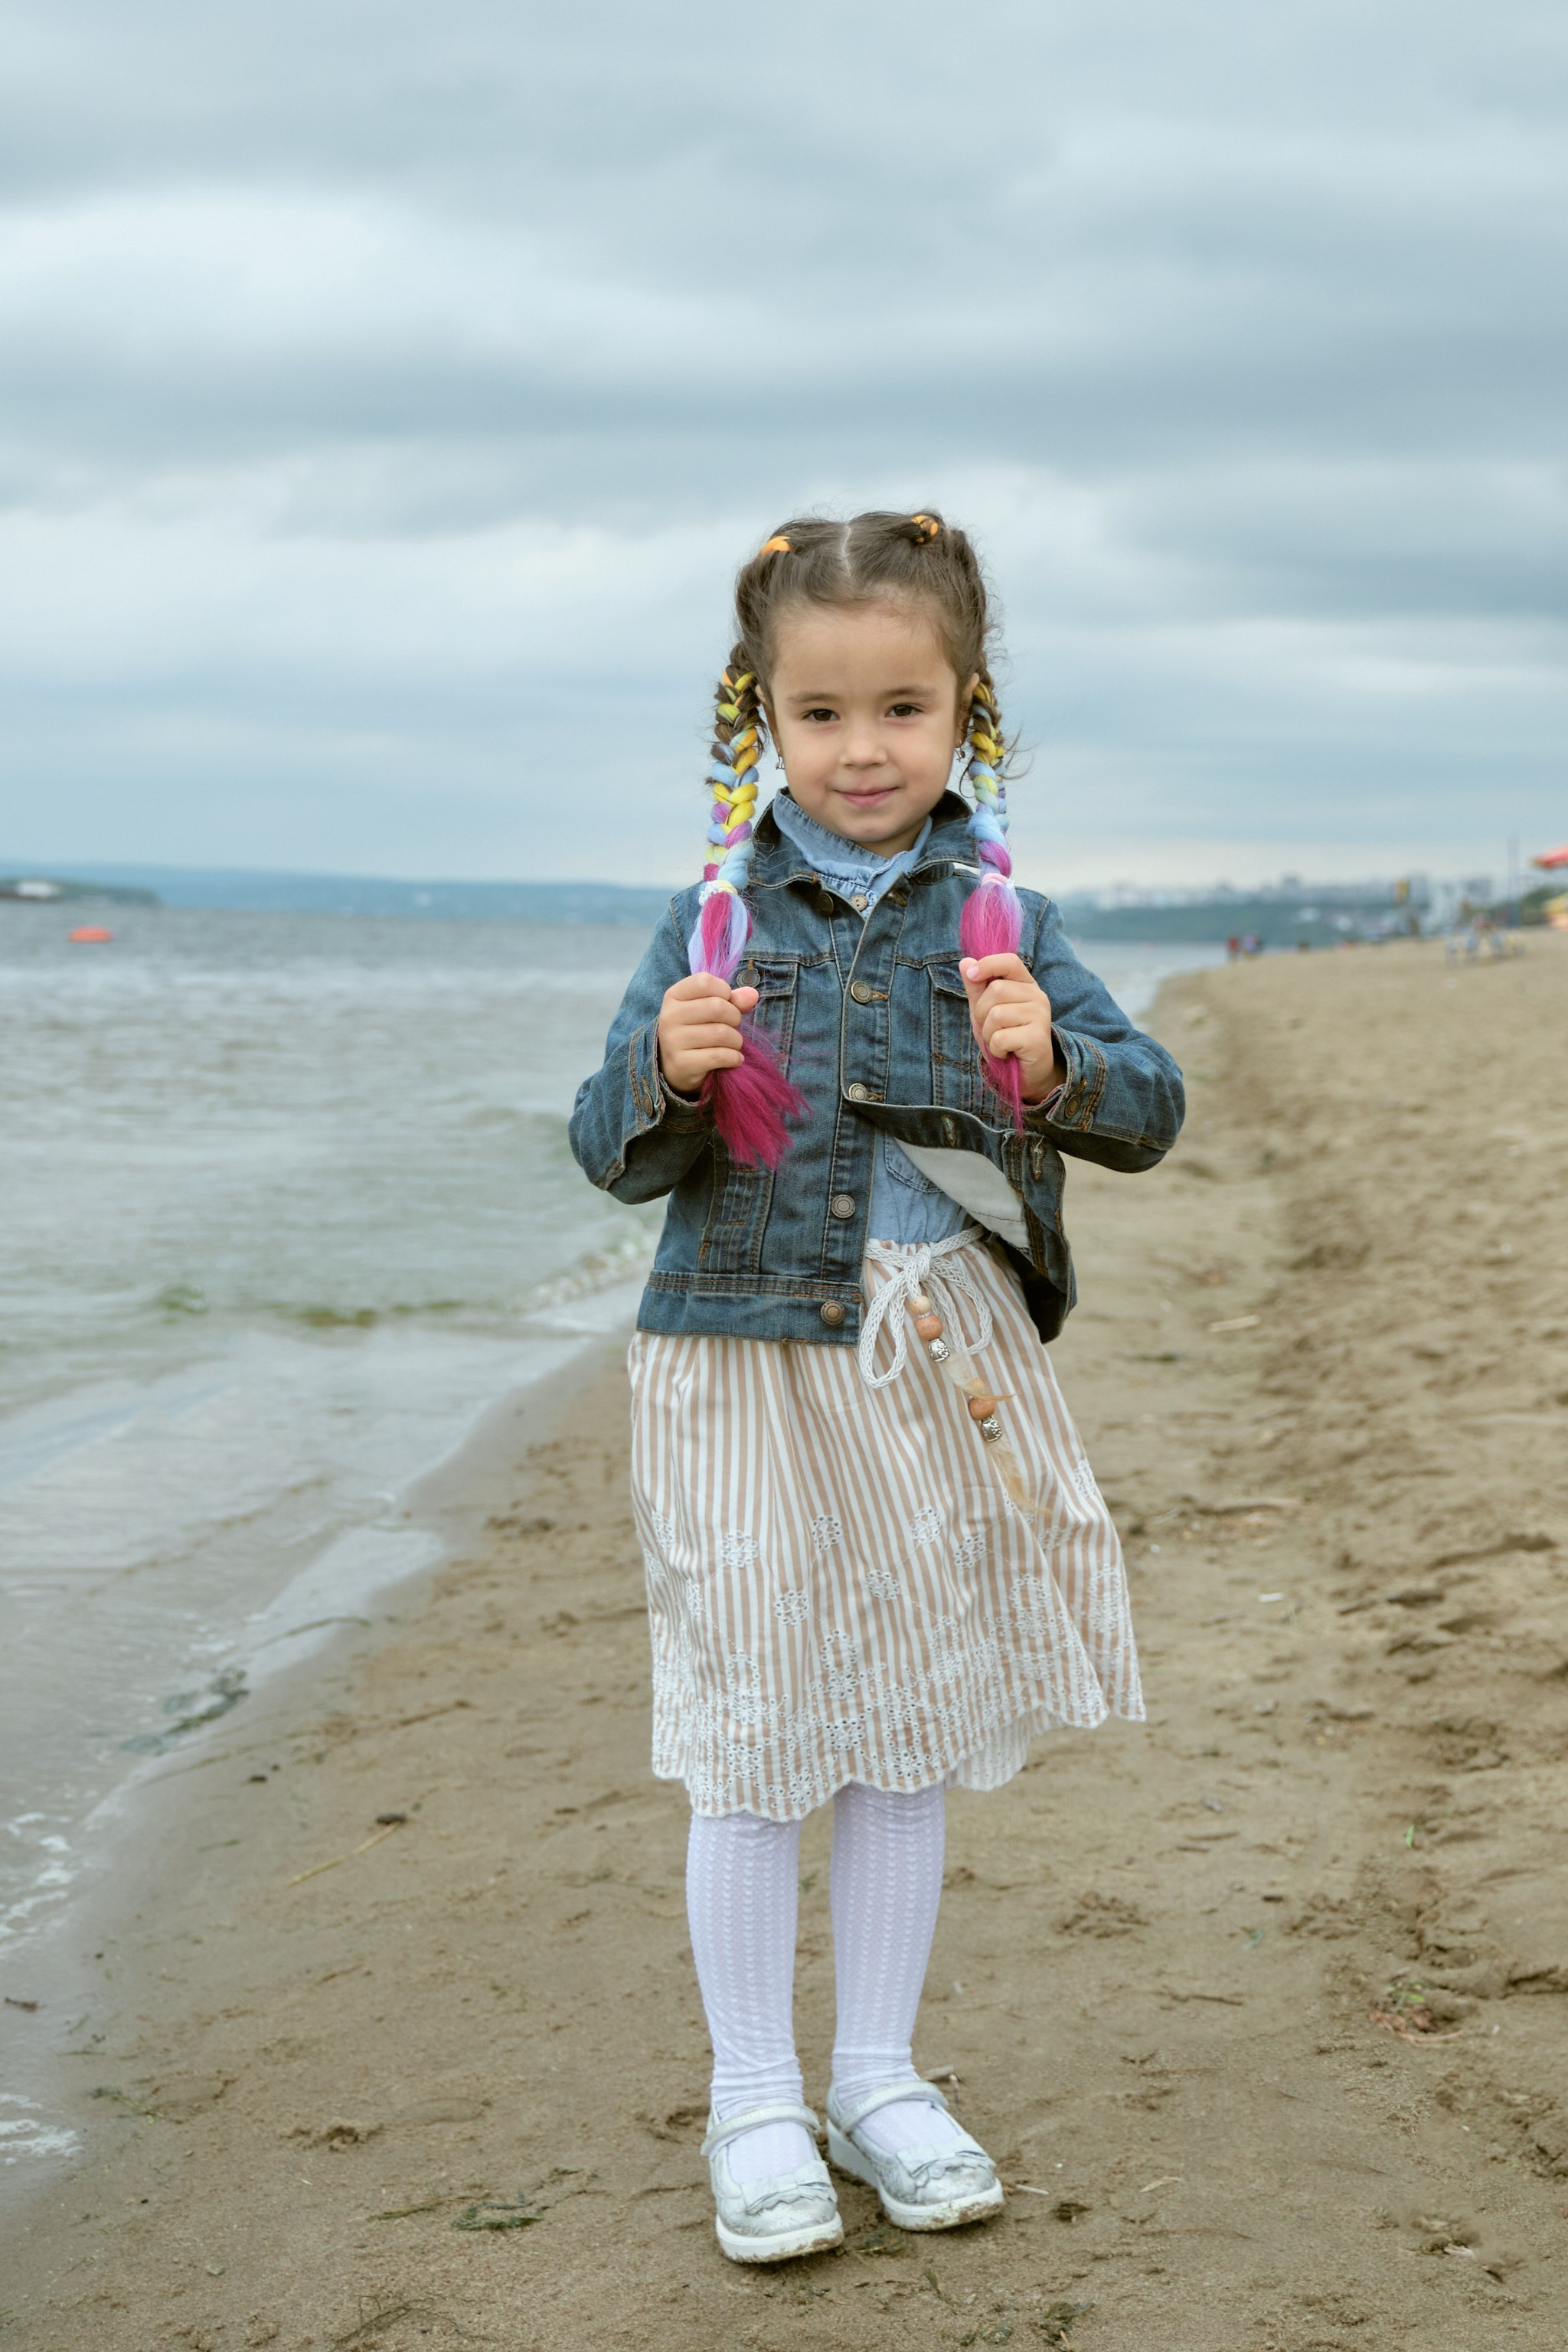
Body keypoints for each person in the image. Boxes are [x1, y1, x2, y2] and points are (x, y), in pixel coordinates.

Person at [570, 510, 1184, 2265]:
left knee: (907, 1725)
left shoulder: (1006, 920)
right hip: (744, 1363)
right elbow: (605, 1146)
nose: (860, 748)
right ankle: (754, 2097)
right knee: (755, 1736)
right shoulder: (711, 922)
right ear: (758, 717)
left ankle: (876, 2077)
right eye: (819, 711)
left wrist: (1051, 1062)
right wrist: (666, 1073)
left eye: (901, 708)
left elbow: (1147, 1106)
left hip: (937, 1363)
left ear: (965, 711)